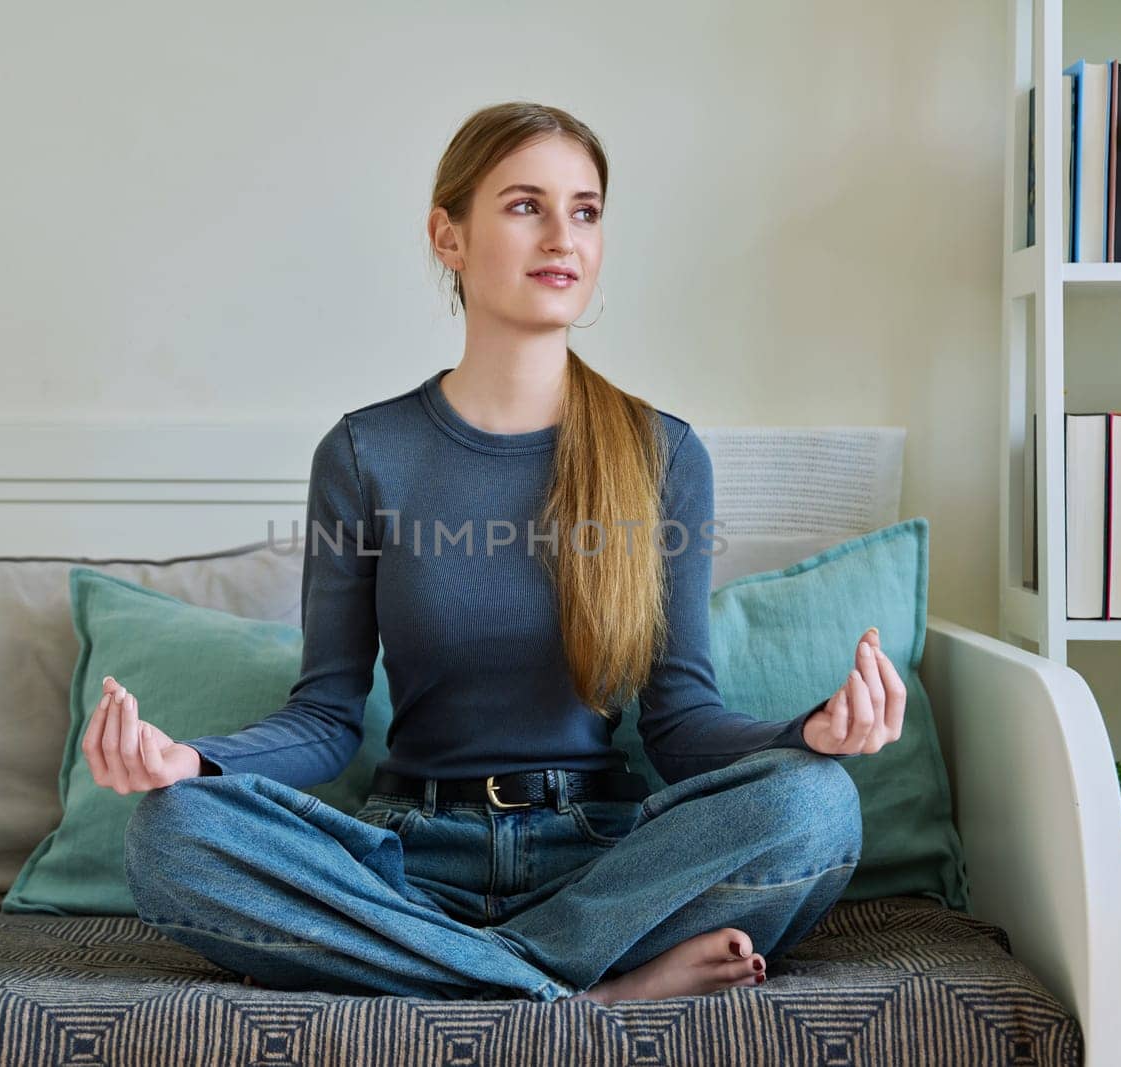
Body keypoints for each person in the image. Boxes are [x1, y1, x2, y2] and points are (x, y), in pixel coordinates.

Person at [97, 101, 905, 1006]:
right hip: (409, 858)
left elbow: (679, 725)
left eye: (586, 210)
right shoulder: (365, 453)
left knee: (816, 804)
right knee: (172, 833)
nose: (563, 235)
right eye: (526, 205)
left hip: (604, 861)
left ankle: (429, 970)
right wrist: (191, 762)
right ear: (448, 234)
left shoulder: (663, 453)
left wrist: (808, 733)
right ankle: (592, 991)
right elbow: (326, 715)